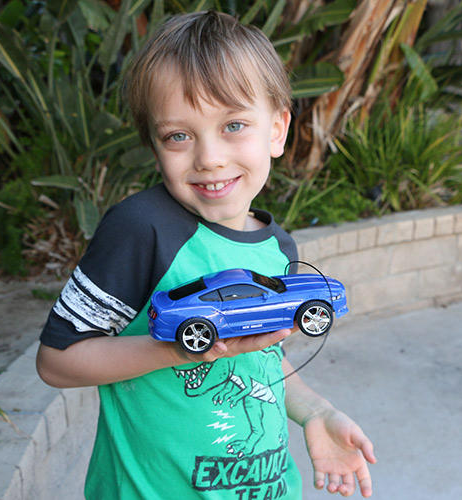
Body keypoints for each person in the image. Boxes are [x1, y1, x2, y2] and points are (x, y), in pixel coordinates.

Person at [36, 10, 376, 499]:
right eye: (179, 135)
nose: (209, 158)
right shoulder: (141, 229)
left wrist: (316, 411)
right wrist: (176, 350)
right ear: (155, 145)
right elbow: (57, 361)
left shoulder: (278, 248)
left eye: (234, 125)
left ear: (277, 130)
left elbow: (259, 357)